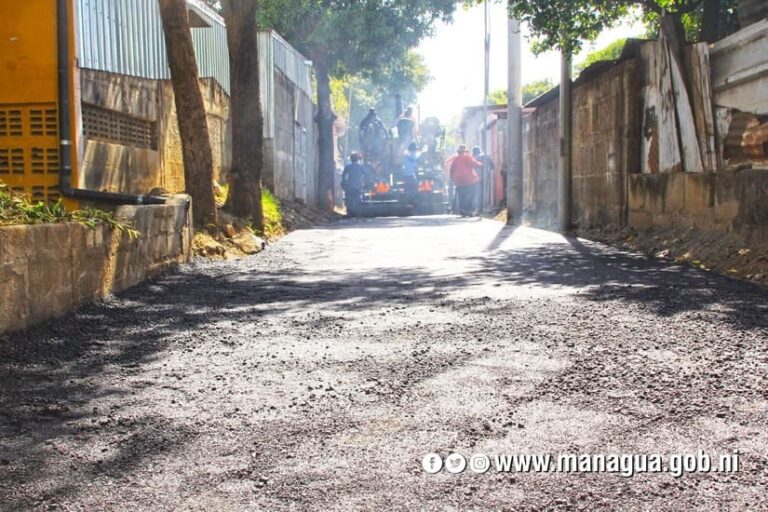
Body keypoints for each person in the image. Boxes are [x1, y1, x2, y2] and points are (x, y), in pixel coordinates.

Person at [449, 145, 483, 217]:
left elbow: (452, 171)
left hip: (460, 182)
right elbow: (475, 164)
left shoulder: (455, 160)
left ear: (458, 152)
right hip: (469, 181)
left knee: (462, 197)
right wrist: (481, 164)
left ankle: (463, 210)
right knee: (470, 195)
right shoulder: (468, 157)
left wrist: (454, 180)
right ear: (466, 151)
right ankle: (468, 210)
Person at [341, 152, 369, 217]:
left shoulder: (348, 167)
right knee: (358, 199)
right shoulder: (361, 167)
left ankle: (349, 213)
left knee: (348, 199)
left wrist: (344, 183)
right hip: (358, 186)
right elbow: (367, 174)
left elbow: (343, 176)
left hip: (349, 187)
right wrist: (365, 180)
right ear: (358, 159)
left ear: (351, 159)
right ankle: (358, 214)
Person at [472, 146, 495, 210]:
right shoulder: (486, 156)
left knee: (478, 192)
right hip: (486, 177)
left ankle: (479, 208)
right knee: (485, 191)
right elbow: (492, 166)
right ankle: (485, 206)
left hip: (477, 178)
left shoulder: (473, 158)